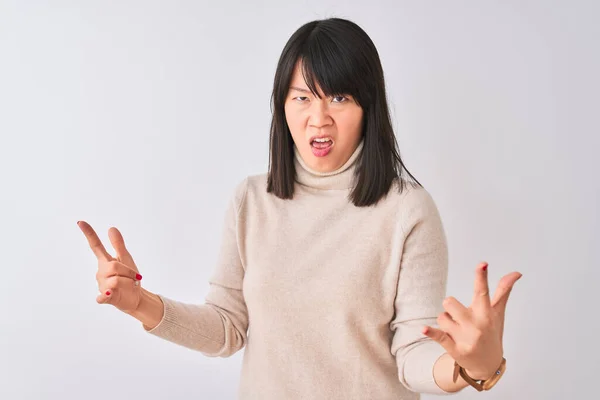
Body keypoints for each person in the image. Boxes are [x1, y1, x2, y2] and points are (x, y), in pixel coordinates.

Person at [78, 17, 522, 400]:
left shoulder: (408, 210)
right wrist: (140, 303)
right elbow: (226, 328)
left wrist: (472, 368)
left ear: (369, 107)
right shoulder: (250, 201)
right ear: (282, 106)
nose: (319, 117)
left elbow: (413, 355)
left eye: (340, 98)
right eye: (302, 97)